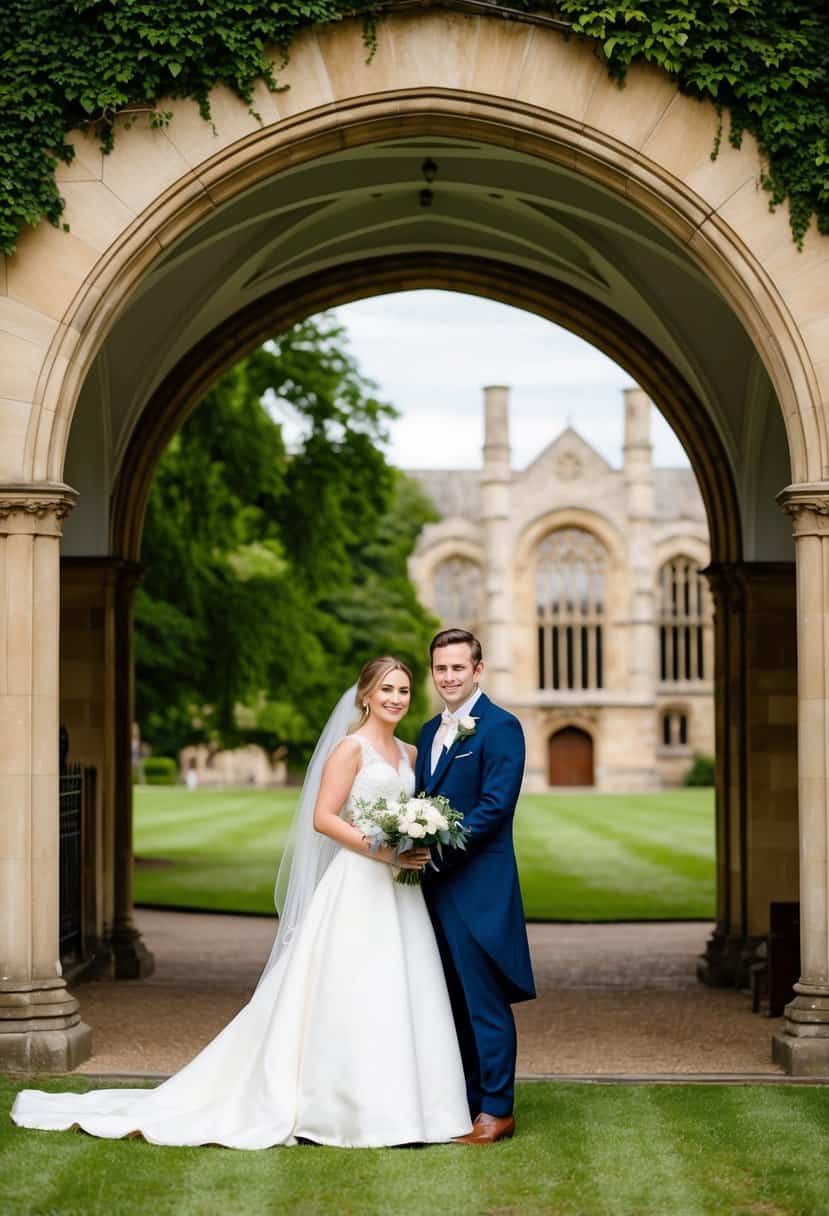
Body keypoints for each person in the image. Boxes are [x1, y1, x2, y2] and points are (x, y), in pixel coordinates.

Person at [11, 657, 472, 1149]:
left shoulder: (409, 751)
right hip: (359, 882)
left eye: (402, 690)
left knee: (399, 986)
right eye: (386, 689)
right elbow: (323, 818)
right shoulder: (350, 749)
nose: (396, 699)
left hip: (400, 893)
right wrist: (383, 850)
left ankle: (408, 1108)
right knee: (352, 987)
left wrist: (416, 838)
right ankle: (341, 1106)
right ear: (364, 695)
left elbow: (409, 811)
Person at [417, 628, 535, 1144]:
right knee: (450, 1001)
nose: (449, 677)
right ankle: (463, 1103)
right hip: (431, 889)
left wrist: (436, 848)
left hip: (478, 885)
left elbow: (494, 806)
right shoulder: (427, 732)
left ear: (478, 670)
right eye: (441, 669)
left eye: (458, 668)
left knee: (484, 1003)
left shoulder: (502, 727)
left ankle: (496, 1110)